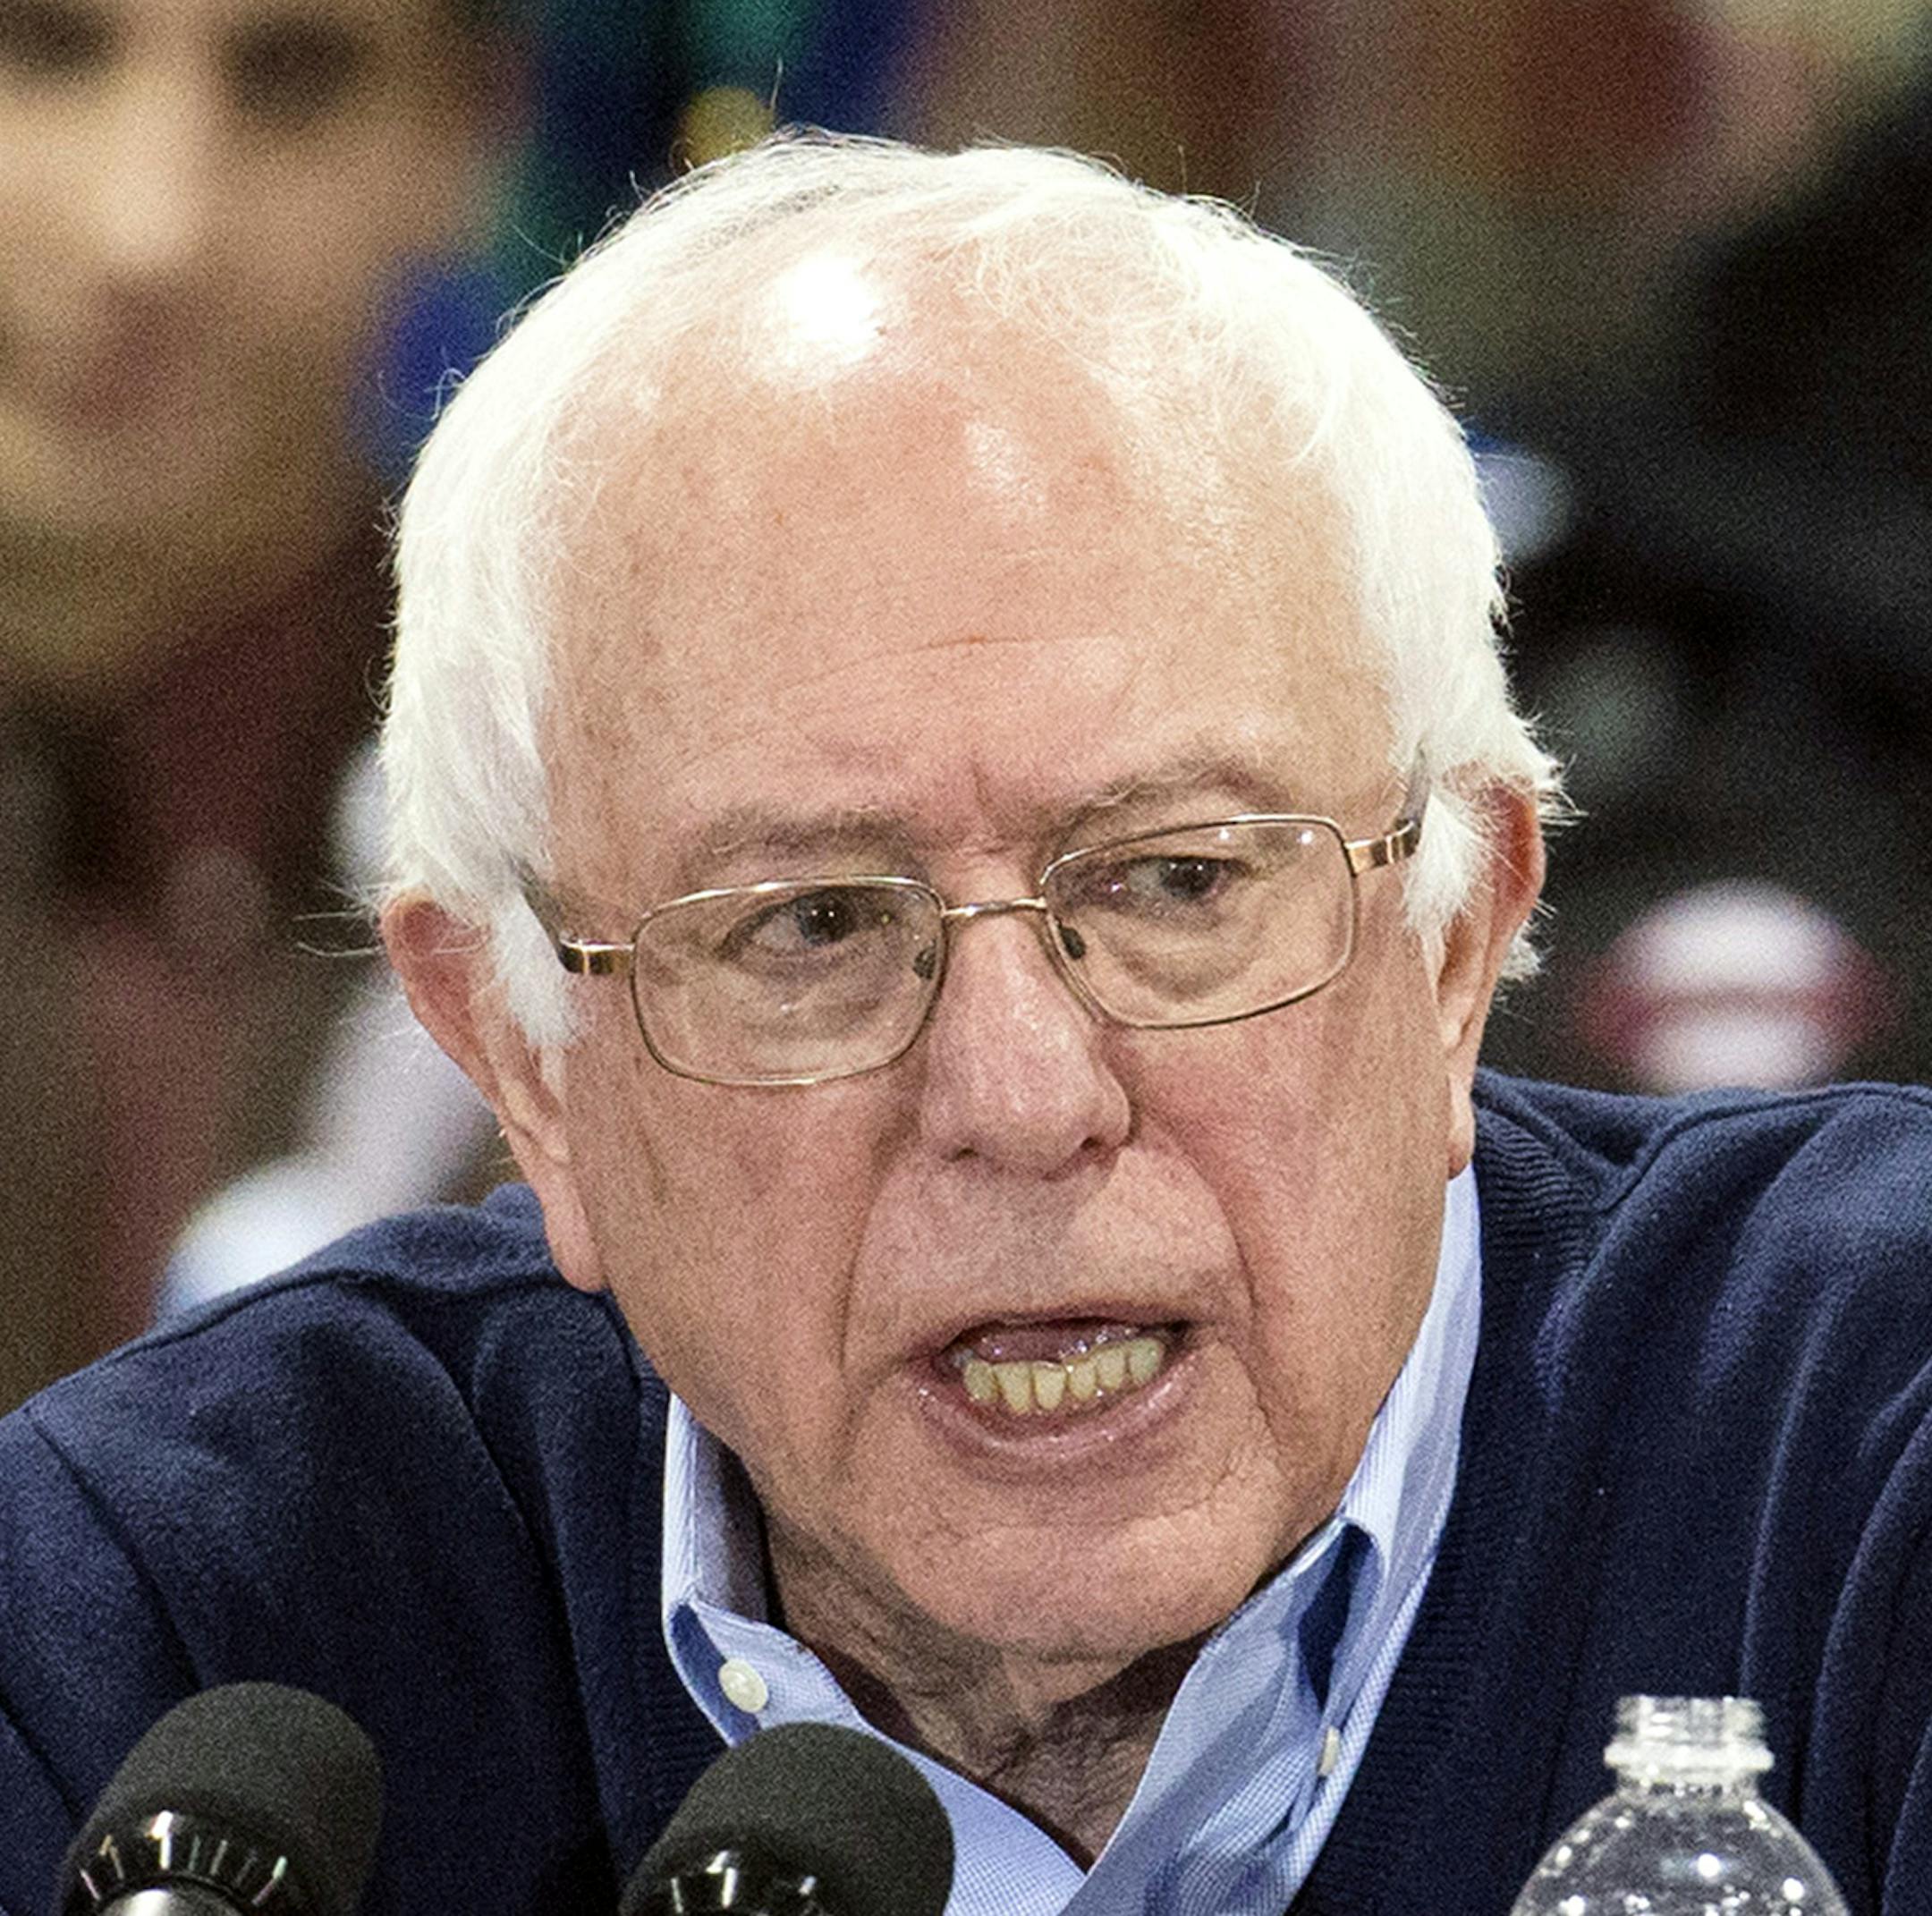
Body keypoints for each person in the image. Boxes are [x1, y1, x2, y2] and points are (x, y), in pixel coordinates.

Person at [2, 134, 1928, 1916]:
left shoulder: (1871, 1454)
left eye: (1177, 882)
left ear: (1453, 945)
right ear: (524, 1065)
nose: (1022, 1098)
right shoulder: (170, 1636)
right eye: (815, 924)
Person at [0, 0, 511, 1406]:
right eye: (45, 51)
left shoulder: (621, 841)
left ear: (463, 139)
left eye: (293, 83)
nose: (148, 229)